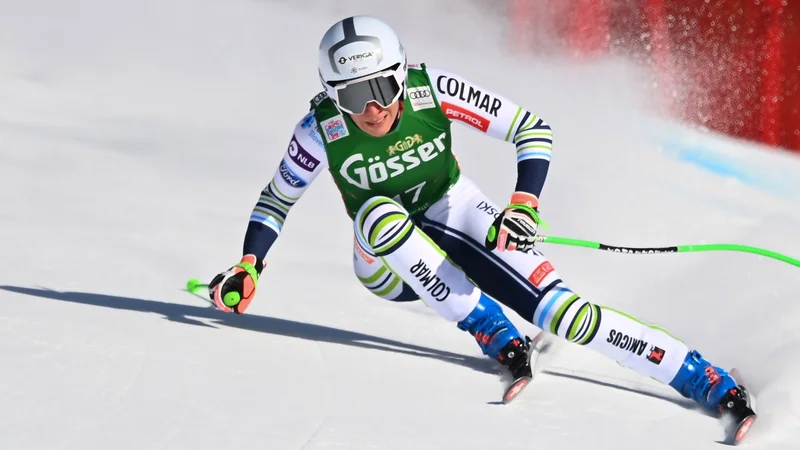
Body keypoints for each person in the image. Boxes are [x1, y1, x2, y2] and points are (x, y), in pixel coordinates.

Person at [206, 14, 753, 420]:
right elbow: (277, 198)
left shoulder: (432, 90)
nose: (371, 109)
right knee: (376, 213)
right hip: (383, 264)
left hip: (454, 208)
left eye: (381, 88)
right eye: (352, 96)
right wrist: (250, 264)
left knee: (567, 315)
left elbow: (531, 128)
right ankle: (490, 328)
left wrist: (523, 202)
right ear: (330, 96)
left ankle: (700, 376)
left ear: (400, 76)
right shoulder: (318, 130)